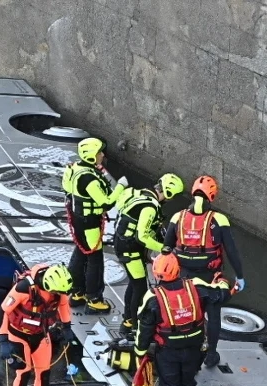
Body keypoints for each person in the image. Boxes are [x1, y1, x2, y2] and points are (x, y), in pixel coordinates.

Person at [134, 253, 230, 386]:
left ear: (156, 274)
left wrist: (140, 352)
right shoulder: (196, 286)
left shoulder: (153, 298)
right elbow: (221, 294)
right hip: (194, 349)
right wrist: (223, 281)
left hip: (168, 352)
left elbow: (144, 330)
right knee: (187, 385)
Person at [162, 175, 245, 369]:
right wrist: (239, 276)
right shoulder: (219, 219)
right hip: (210, 277)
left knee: (184, 312)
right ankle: (211, 353)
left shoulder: (177, 217)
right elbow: (231, 251)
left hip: (182, 277)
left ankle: (184, 348)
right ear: (212, 195)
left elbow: (166, 249)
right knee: (213, 313)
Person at [0, 263, 81, 386]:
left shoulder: (59, 291)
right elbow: (4, 311)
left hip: (41, 335)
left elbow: (64, 306)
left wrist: (66, 327)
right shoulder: (23, 288)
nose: (58, 295)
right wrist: (3, 340)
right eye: (56, 292)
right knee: (23, 372)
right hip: (19, 335)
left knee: (43, 373)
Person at [111, 172, 184, 335]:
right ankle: (132, 323)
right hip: (129, 248)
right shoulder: (150, 208)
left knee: (134, 283)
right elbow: (142, 236)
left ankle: (128, 319)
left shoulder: (138, 194)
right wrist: (164, 248)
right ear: (169, 193)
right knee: (139, 286)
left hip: (123, 243)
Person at [62, 137, 127, 313]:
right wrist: (120, 187)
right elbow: (106, 202)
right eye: (99, 152)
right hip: (89, 222)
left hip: (78, 218)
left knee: (80, 253)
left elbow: (66, 188)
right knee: (95, 259)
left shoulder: (75, 168)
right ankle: (94, 298)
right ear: (91, 156)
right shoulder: (89, 179)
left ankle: (77, 292)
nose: (102, 155)